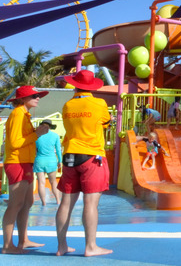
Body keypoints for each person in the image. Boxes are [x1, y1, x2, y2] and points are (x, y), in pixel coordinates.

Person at [56, 69, 113, 257]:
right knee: (90, 204)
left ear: (76, 84)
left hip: (70, 154)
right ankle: (91, 246)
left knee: (65, 203)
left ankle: (61, 246)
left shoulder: (67, 105)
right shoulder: (99, 103)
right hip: (92, 155)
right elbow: (106, 121)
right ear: (92, 86)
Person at [2, 85, 47, 254]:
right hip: (17, 162)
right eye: (34, 95)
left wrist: (36, 132)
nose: (38, 98)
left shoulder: (24, 115)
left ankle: (23, 240)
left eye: (38, 95)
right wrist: (37, 134)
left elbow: (21, 139)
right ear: (22, 99)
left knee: (27, 202)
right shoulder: (17, 114)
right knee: (16, 204)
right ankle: (7, 245)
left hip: (25, 162)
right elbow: (14, 143)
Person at [34, 118, 62, 206]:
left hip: (39, 160)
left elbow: (34, 150)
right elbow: (58, 150)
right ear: (50, 127)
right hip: (51, 161)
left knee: (41, 183)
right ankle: (58, 201)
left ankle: (44, 203)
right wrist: (60, 161)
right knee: (53, 182)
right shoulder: (55, 136)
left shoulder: (36, 136)